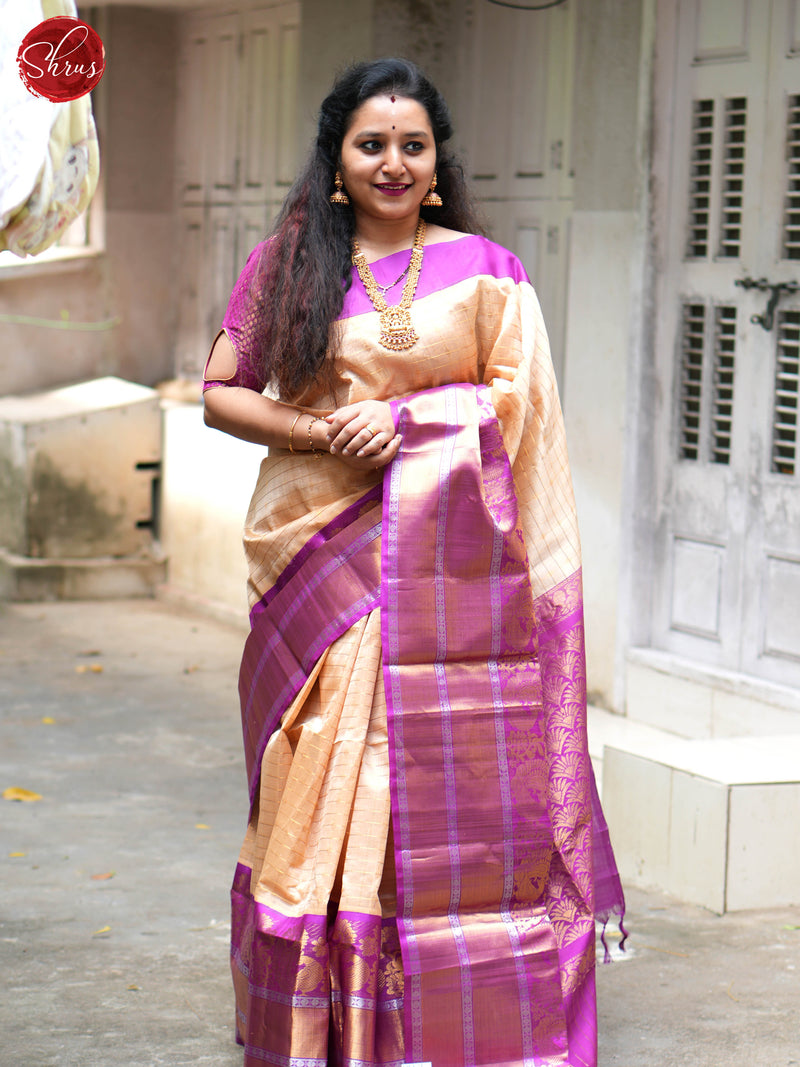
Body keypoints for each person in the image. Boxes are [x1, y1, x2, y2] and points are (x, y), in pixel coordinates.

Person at [202, 57, 625, 1067]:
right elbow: (221, 391)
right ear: (337, 159)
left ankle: (449, 1004)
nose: (391, 161)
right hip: (322, 568)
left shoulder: (486, 271)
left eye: (411, 144)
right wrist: (321, 433)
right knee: (324, 782)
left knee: (434, 777)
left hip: (453, 575)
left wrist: (413, 423)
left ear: (435, 161)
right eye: (370, 144)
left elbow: (520, 420)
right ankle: (328, 1014)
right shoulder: (287, 263)